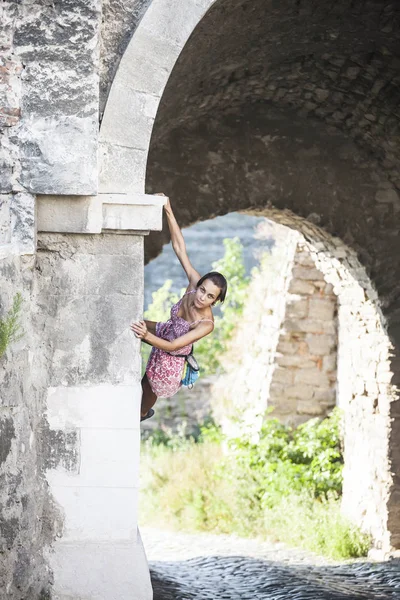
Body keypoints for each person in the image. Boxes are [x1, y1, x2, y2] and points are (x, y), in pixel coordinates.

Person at [130, 195, 227, 422]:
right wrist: (168, 209)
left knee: (139, 407)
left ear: (215, 301)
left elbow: (174, 345)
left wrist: (145, 335)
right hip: (165, 332)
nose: (202, 297)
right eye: (202, 289)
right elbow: (179, 247)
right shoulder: (193, 285)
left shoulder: (206, 324)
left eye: (209, 296)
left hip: (169, 361)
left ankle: (144, 413)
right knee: (132, 322)